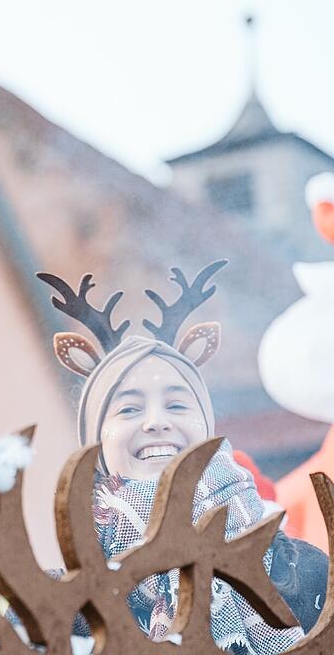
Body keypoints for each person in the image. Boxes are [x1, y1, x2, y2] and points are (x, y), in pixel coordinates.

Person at [38, 261, 328, 652]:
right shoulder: (59, 607)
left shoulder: (304, 575)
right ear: (97, 444)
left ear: (206, 428)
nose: (156, 422)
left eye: (176, 405)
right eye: (129, 409)